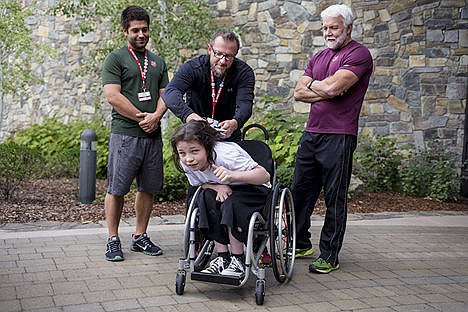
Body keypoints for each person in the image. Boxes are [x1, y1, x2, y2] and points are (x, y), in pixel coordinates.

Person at [292, 4, 373, 273]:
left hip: (340, 135)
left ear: (348, 27)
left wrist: (320, 86)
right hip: (312, 132)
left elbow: (334, 86)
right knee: (300, 193)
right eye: (325, 27)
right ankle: (301, 242)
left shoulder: (359, 54)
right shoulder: (318, 57)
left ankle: (330, 255)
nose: (328, 32)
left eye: (333, 27)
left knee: (334, 198)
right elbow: (298, 93)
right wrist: (325, 88)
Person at [101, 6, 169, 261]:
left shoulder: (158, 61)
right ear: (125, 31)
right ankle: (112, 239)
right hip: (125, 134)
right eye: (135, 30)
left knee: (148, 188)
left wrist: (156, 116)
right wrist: (141, 117)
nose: (141, 34)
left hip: (152, 135)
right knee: (117, 189)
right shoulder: (115, 59)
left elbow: (167, 95)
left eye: (144, 29)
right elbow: (112, 95)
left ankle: (140, 236)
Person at [170, 120, 270, 277]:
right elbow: (201, 183)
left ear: (208, 147)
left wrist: (233, 176)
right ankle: (223, 257)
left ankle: (238, 258)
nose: (188, 158)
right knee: (205, 197)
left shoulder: (226, 155)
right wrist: (217, 187)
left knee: (231, 203)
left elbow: (264, 176)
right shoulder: (186, 162)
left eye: (195, 151)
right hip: (222, 187)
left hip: (252, 187)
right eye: (182, 153)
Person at [162, 28, 255, 142]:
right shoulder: (193, 67)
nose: (222, 61)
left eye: (228, 57)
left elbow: (245, 103)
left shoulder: (244, 73)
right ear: (209, 49)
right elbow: (170, 92)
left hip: (228, 136)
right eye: (218, 54)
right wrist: (190, 116)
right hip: (196, 135)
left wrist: (235, 123)